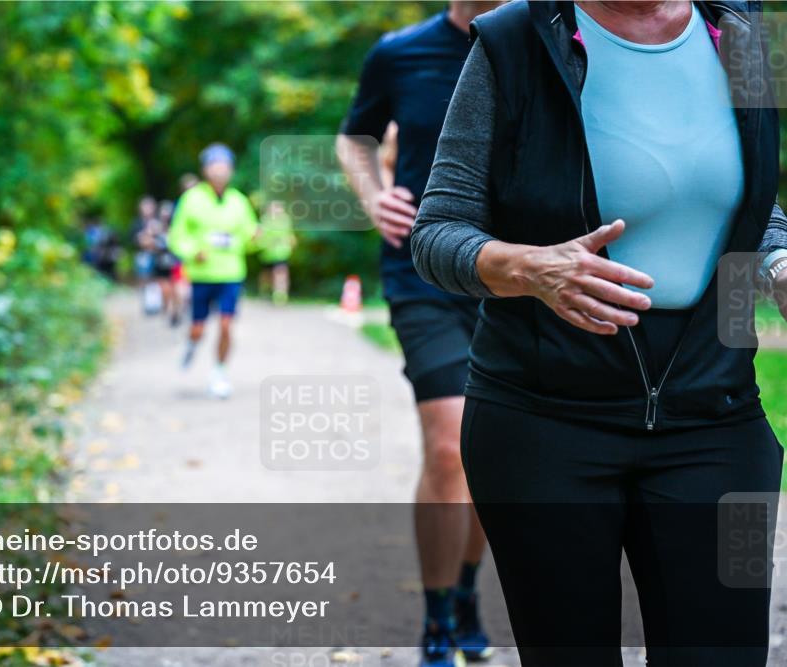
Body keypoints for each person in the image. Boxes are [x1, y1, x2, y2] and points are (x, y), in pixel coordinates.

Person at [410, 2, 786, 665]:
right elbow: (438, 231)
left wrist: (779, 261)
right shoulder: (513, 39)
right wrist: (528, 267)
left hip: (716, 417)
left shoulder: (746, 33)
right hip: (543, 425)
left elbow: (740, 196)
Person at [337, 3, 501, 665]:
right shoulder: (399, 52)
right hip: (420, 274)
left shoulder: (545, 39)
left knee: (491, 454)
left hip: (513, 280)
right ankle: (437, 619)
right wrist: (373, 194)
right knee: (447, 446)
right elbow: (355, 137)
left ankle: (465, 591)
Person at [168, 143, 258, 399]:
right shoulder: (191, 199)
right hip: (202, 274)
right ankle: (191, 343)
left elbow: (248, 235)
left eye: (224, 167)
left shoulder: (239, 202)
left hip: (231, 273)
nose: (219, 172)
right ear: (206, 170)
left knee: (227, 325)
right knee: (198, 328)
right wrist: (192, 251)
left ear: (230, 170)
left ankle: (219, 372)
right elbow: (177, 235)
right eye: (214, 166)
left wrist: (256, 237)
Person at [256, 200, 296, 305]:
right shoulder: (265, 220)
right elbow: (259, 235)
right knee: (267, 275)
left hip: (282, 253)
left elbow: (290, 234)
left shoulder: (285, 220)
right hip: (267, 254)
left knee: (281, 273)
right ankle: (265, 291)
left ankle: (280, 295)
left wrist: (291, 243)